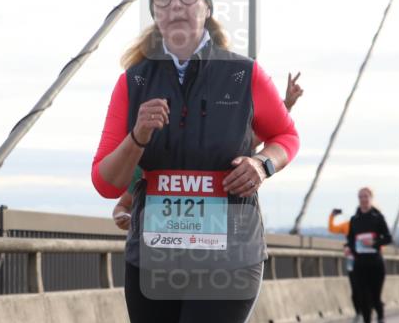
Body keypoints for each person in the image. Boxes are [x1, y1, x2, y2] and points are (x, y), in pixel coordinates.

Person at [91, 0, 299, 323]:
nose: (175, 4)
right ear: (154, 13)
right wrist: (137, 137)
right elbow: (106, 181)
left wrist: (263, 164)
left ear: (207, 6)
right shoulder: (134, 82)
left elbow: (285, 136)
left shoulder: (244, 74)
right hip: (154, 258)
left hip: (229, 255)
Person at [112, 71, 303, 230]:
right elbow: (122, 206)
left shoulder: (221, 151)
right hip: (165, 247)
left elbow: (255, 138)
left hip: (219, 245)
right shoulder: (150, 162)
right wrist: (124, 217)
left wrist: (285, 106)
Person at [345, 187, 393, 323]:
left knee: (375, 296)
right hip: (360, 263)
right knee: (363, 297)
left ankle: (381, 320)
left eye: (366, 196)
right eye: (361, 197)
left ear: (371, 198)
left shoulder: (377, 217)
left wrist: (374, 242)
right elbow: (350, 239)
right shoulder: (354, 219)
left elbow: (388, 238)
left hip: (375, 263)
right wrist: (350, 248)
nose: (363, 199)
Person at [327, 208, 362, 323]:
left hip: (366, 260)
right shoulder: (348, 225)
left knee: (365, 287)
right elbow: (332, 229)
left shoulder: (368, 225)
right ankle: (359, 313)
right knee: (355, 288)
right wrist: (332, 216)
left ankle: (365, 310)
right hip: (352, 259)